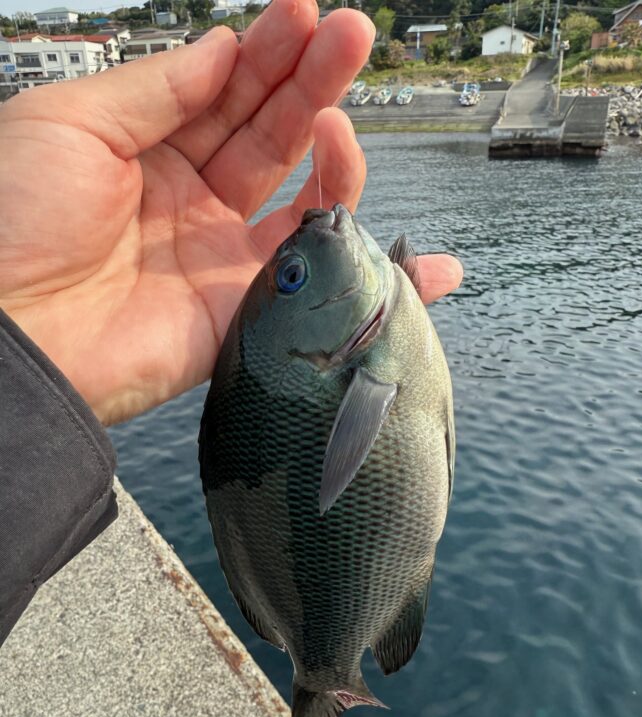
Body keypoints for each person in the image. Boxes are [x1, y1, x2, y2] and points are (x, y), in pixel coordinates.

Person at [0, 0, 462, 649]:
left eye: (289, 276)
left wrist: (23, 340)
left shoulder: (365, 342)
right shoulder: (368, 346)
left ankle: (326, 664)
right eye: (293, 277)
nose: (315, 226)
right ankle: (328, 666)